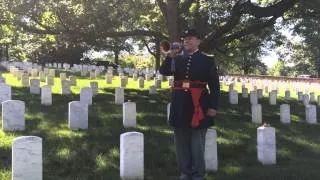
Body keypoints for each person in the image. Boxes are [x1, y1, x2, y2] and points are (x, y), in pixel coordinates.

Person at [159, 29, 220, 180]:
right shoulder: (177, 58)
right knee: (180, 140)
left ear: (198, 41)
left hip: (199, 103)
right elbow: (163, 71)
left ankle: (199, 173)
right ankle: (185, 172)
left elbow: (214, 85)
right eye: (185, 39)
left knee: (197, 140)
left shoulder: (207, 60)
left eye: (191, 38)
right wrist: (169, 58)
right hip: (180, 104)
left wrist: (213, 106)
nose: (187, 41)